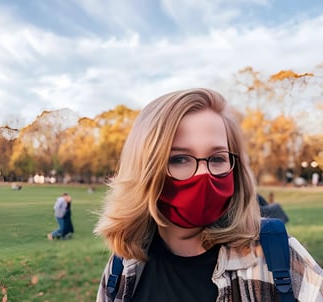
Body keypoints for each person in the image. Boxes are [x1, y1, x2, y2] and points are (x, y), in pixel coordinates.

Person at [94, 88, 323, 301]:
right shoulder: (122, 268)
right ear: (144, 169)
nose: (204, 174)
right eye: (179, 159)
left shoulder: (278, 257)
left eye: (217, 158)